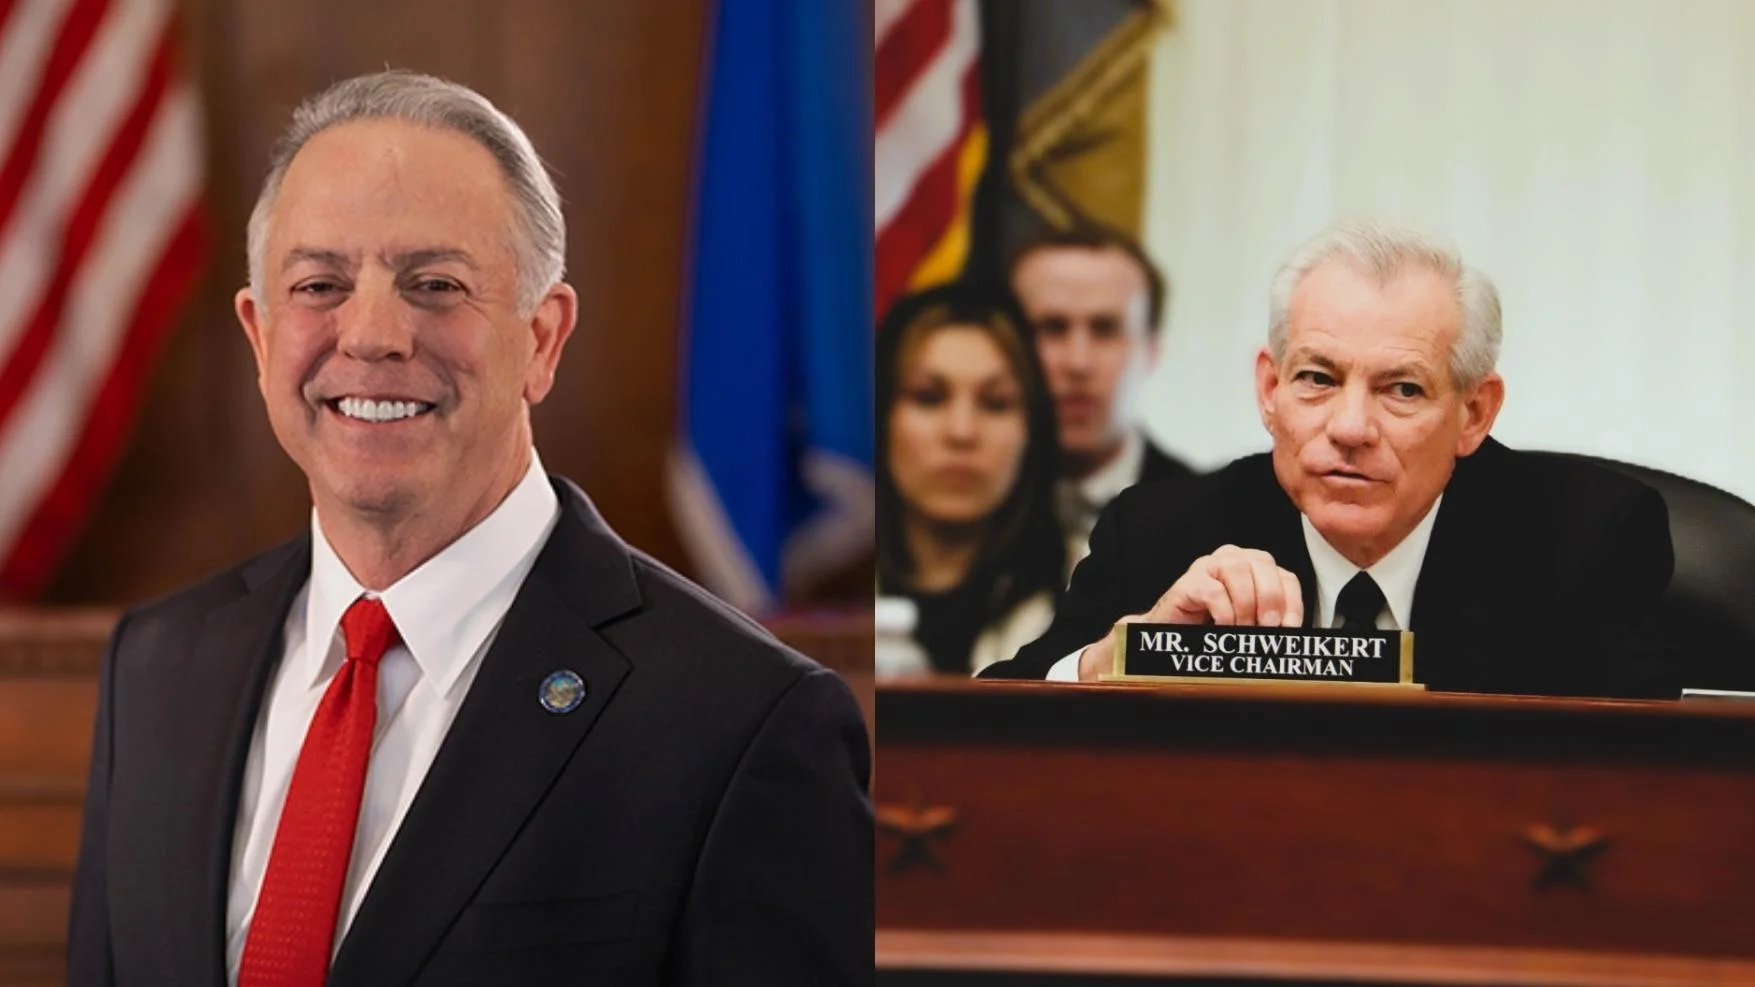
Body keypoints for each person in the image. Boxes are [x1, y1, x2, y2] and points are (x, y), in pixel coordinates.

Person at [67, 71, 871, 986]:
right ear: (259, 337)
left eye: (436, 284)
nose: (372, 333)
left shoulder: (747, 722)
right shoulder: (155, 666)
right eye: (320, 282)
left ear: (542, 339)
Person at [982, 219, 1680, 699]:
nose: (1349, 427)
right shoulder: (1162, 532)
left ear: (1473, 412)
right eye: (1316, 378)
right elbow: (991, 726)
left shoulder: (1588, 541)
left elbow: (1642, 785)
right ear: (1269, 388)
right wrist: (1120, 659)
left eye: (1401, 389)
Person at [876, 284, 1065, 676]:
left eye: (996, 403)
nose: (962, 432)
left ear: (1033, 429)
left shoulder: (1090, 592)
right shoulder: (826, 589)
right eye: (928, 397)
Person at [1009, 226, 1196, 565]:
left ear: (1151, 350)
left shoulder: (1213, 520)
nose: (1077, 363)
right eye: (1051, 328)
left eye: (1106, 329)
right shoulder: (953, 510)